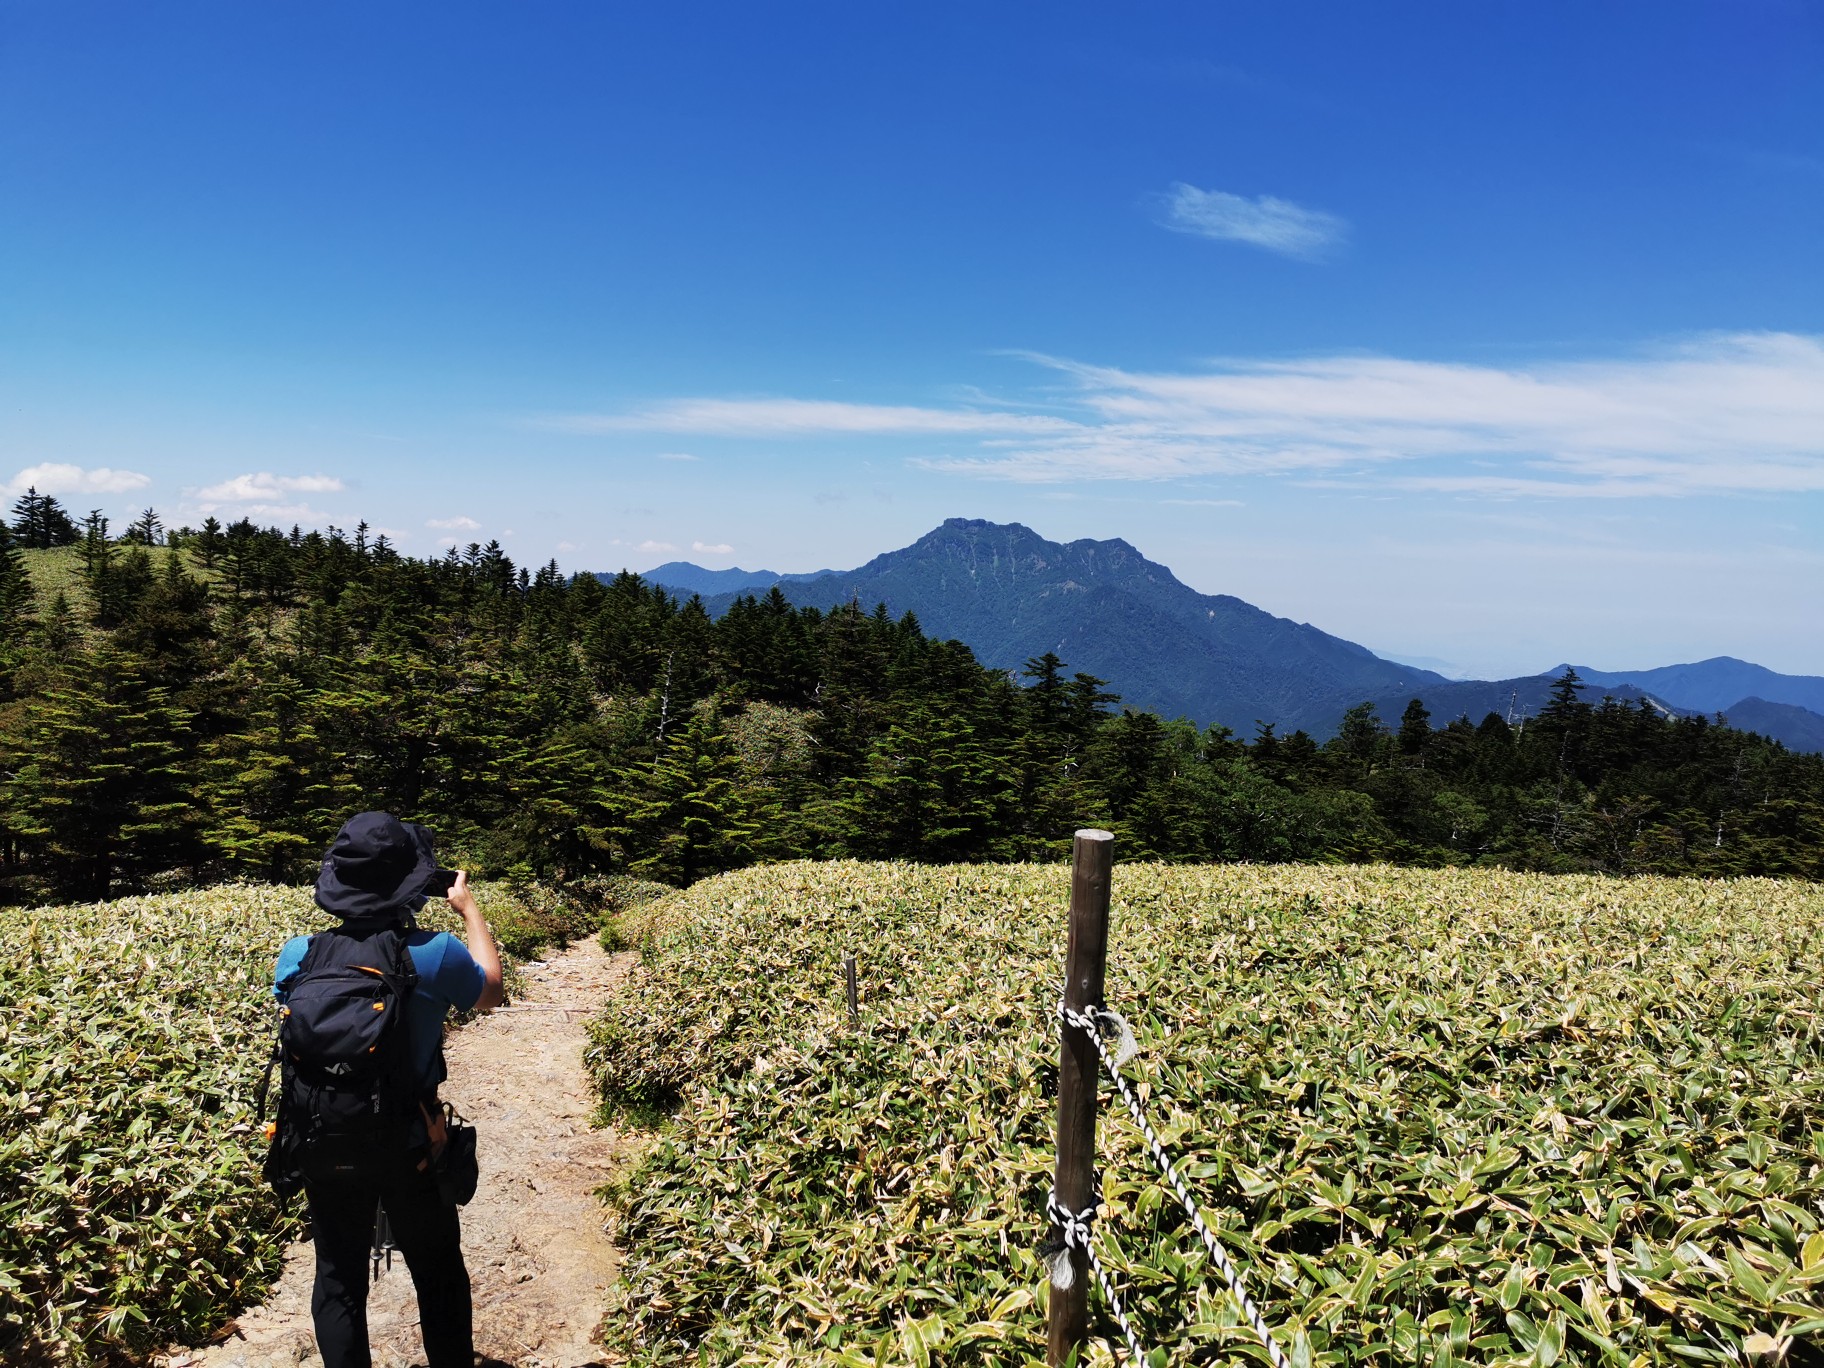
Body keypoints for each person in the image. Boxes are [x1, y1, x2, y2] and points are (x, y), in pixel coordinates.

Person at [273, 811, 505, 1368]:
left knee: (337, 1279)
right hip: (411, 1143)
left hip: (321, 1138)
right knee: (438, 1273)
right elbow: (491, 993)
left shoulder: (297, 955)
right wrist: (469, 910)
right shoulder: (437, 953)